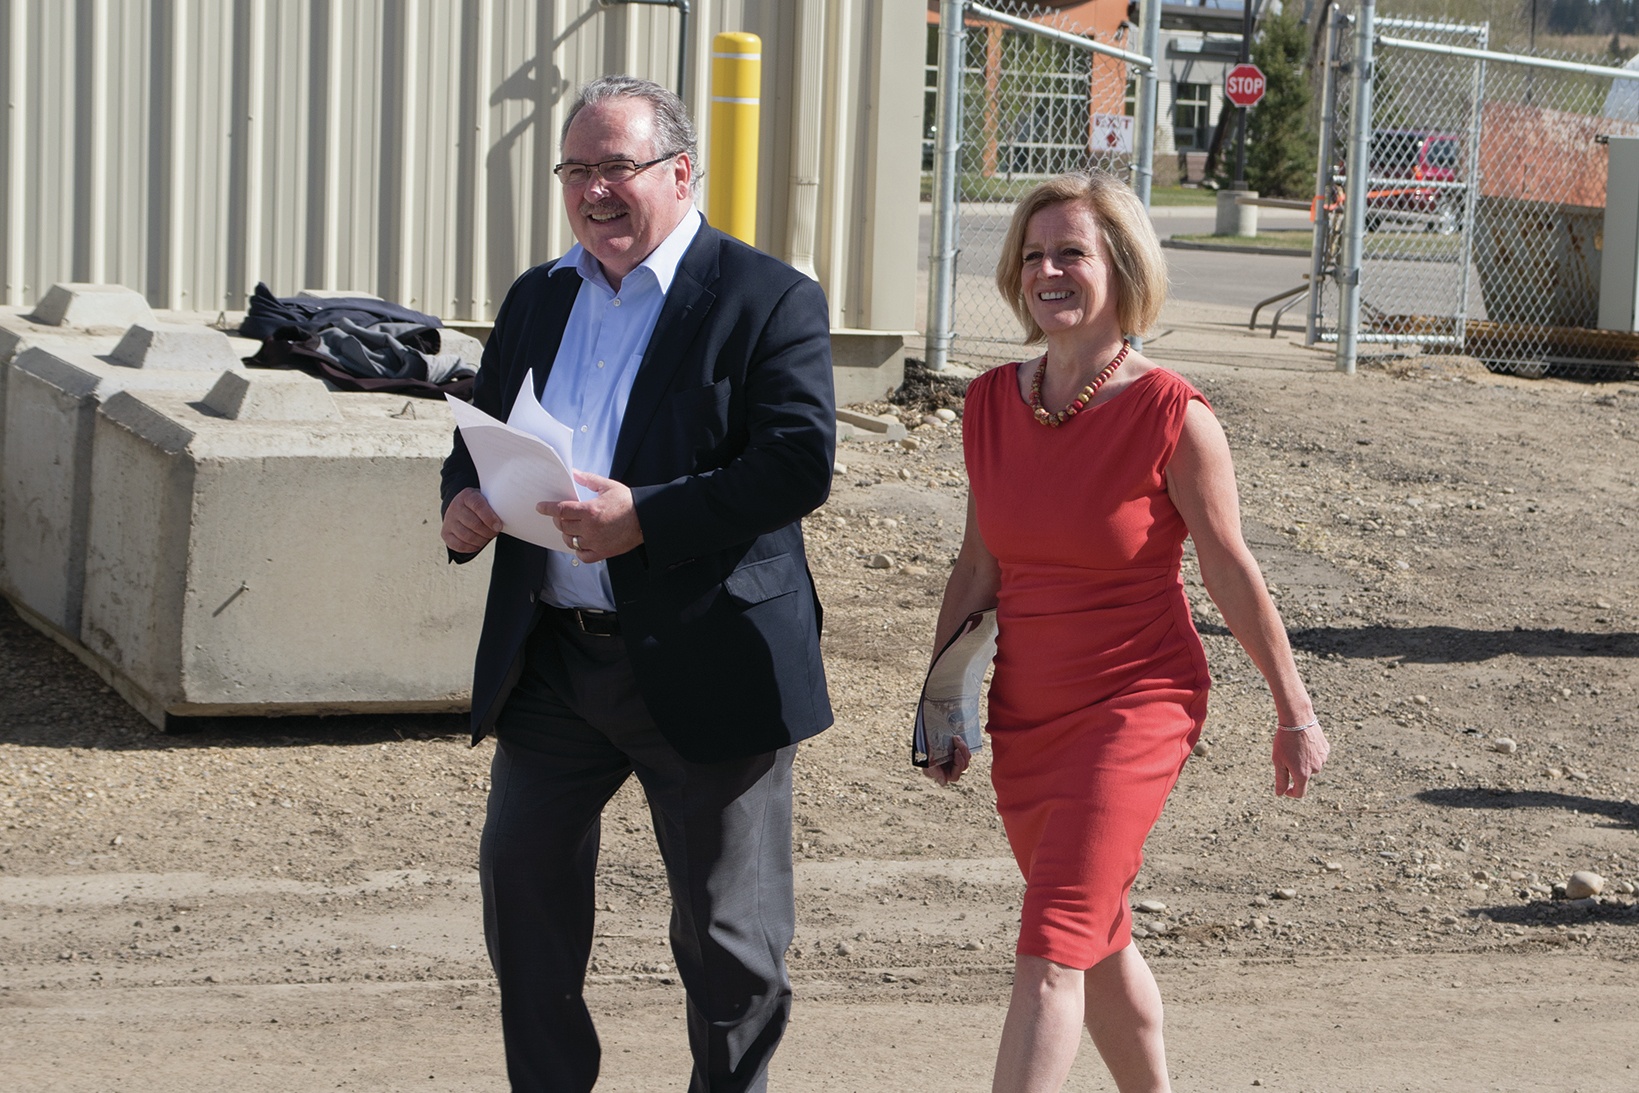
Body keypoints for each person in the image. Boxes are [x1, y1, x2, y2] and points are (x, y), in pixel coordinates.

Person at [439, 75, 835, 1093]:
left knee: (728, 943)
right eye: (576, 170)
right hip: (556, 665)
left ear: (679, 171)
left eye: (616, 167)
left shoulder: (765, 297)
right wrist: (467, 503)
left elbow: (796, 463)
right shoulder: (539, 296)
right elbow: (480, 435)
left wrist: (642, 518)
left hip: (707, 660)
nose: (593, 191)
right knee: (522, 903)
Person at [923, 172, 1330, 1093]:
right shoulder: (989, 402)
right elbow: (977, 569)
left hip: (1134, 704)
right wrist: (939, 706)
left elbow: (1229, 567)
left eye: (1071, 252)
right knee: (1095, 936)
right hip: (1027, 708)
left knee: (1052, 940)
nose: (1047, 271)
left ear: (1121, 266)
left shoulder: (1173, 414)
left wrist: (1292, 708)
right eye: (1033, 255)